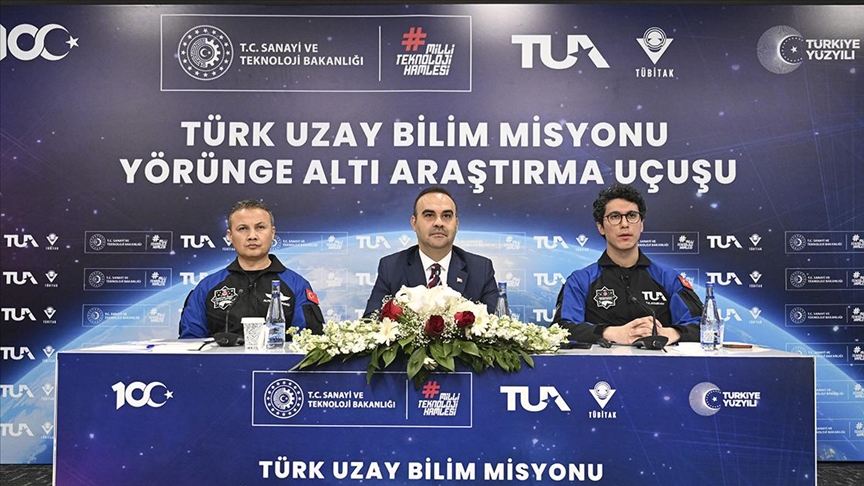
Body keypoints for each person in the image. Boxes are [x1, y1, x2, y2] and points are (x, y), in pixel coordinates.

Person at [552, 184, 703, 345]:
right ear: (601, 227)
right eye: (615, 216)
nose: (624, 224)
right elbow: (561, 328)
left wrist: (669, 333)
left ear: (641, 224)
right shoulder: (580, 281)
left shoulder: (668, 278)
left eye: (632, 215)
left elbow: (705, 325)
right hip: (599, 362)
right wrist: (611, 333)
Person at [179, 199, 324, 339]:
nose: (252, 236)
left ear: (272, 233)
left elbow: (308, 343)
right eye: (243, 229)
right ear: (230, 236)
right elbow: (190, 343)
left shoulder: (297, 285)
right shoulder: (207, 287)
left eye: (260, 227)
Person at [363, 186, 498, 317]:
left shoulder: (481, 269)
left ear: (456, 224)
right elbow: (371, 321)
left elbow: (496, 325)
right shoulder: (391, 267)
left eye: (446, 216)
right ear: (414, 223)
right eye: (429, 215)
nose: (439, 223)